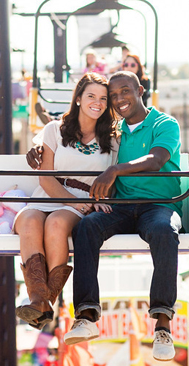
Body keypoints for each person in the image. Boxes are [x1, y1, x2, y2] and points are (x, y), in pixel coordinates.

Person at [29, 71, 183, 361]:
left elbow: (157, 159)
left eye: (124, 91)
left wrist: (114, 170)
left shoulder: (164, 123)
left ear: (140, 89)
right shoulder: (116, 131)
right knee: (87, 227)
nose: (119, 99)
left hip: (158, 204)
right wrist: (37, 147)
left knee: (164, 231)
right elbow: (66, 134)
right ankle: (86, 315)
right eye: (113, 96)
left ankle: (162, 324)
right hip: (123, 205)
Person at [15, 72, 118, 329]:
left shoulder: (114, 138)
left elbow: (115, 179)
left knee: (57, 224)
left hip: (85, 198)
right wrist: (70, 201)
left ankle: (45, 301)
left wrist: (99, 199)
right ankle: (40, 301)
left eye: (103, 98)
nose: (98, 102)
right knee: (28, 221)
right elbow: (46, 178)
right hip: (52, 193)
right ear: (79, 99)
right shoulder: (54, 130)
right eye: (91, 96)